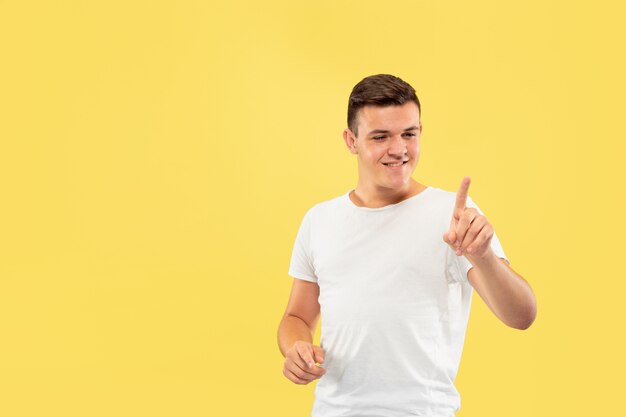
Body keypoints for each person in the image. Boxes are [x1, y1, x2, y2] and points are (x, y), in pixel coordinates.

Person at [276, 74, 537, 417]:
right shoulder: (319, 220)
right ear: (351, 140)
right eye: (380, 136)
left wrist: (483, 257)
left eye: (409, 134)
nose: (398, 149)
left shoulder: (453, 216)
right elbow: (297, 316)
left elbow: (521, 316)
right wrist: (295, 348)